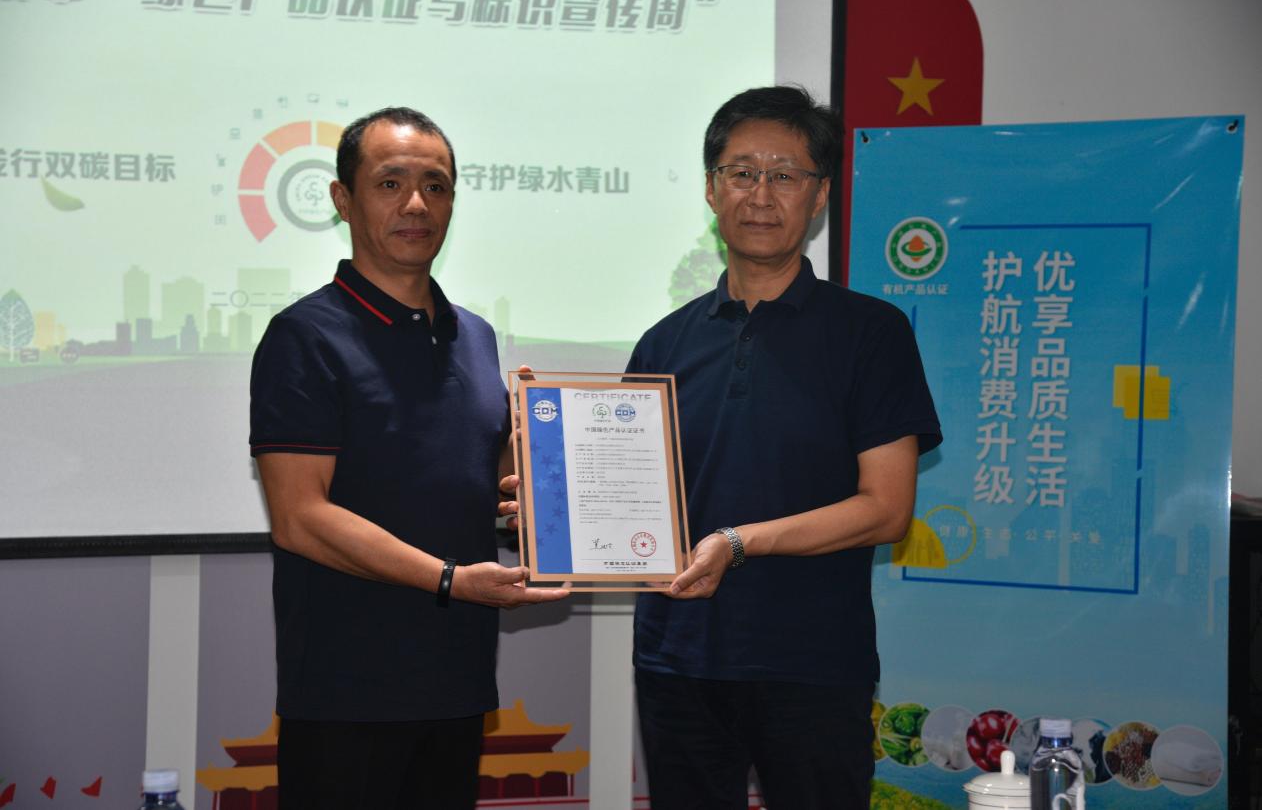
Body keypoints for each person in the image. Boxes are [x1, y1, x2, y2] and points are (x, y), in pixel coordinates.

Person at [626, 86, 942, 809]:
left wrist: (739, 542)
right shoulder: (663, 343)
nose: (760, 195)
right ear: (712, 189)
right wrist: (552, 502)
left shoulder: (871, 333)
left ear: (819, 195)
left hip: (812, 664)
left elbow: (886, 508)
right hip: (679, 658)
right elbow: (631, 496)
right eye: (741, 172)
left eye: (785, 175)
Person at [249, 106, 567, 810]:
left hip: (456, 680)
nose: (417, 204)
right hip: (347, 691)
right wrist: (450, 578)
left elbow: (474, 477)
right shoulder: (305, 337)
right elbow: (299, 518)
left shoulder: (474, 336)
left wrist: (530, 483)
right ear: (343, 200)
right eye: (390, 183)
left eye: (436, 186)